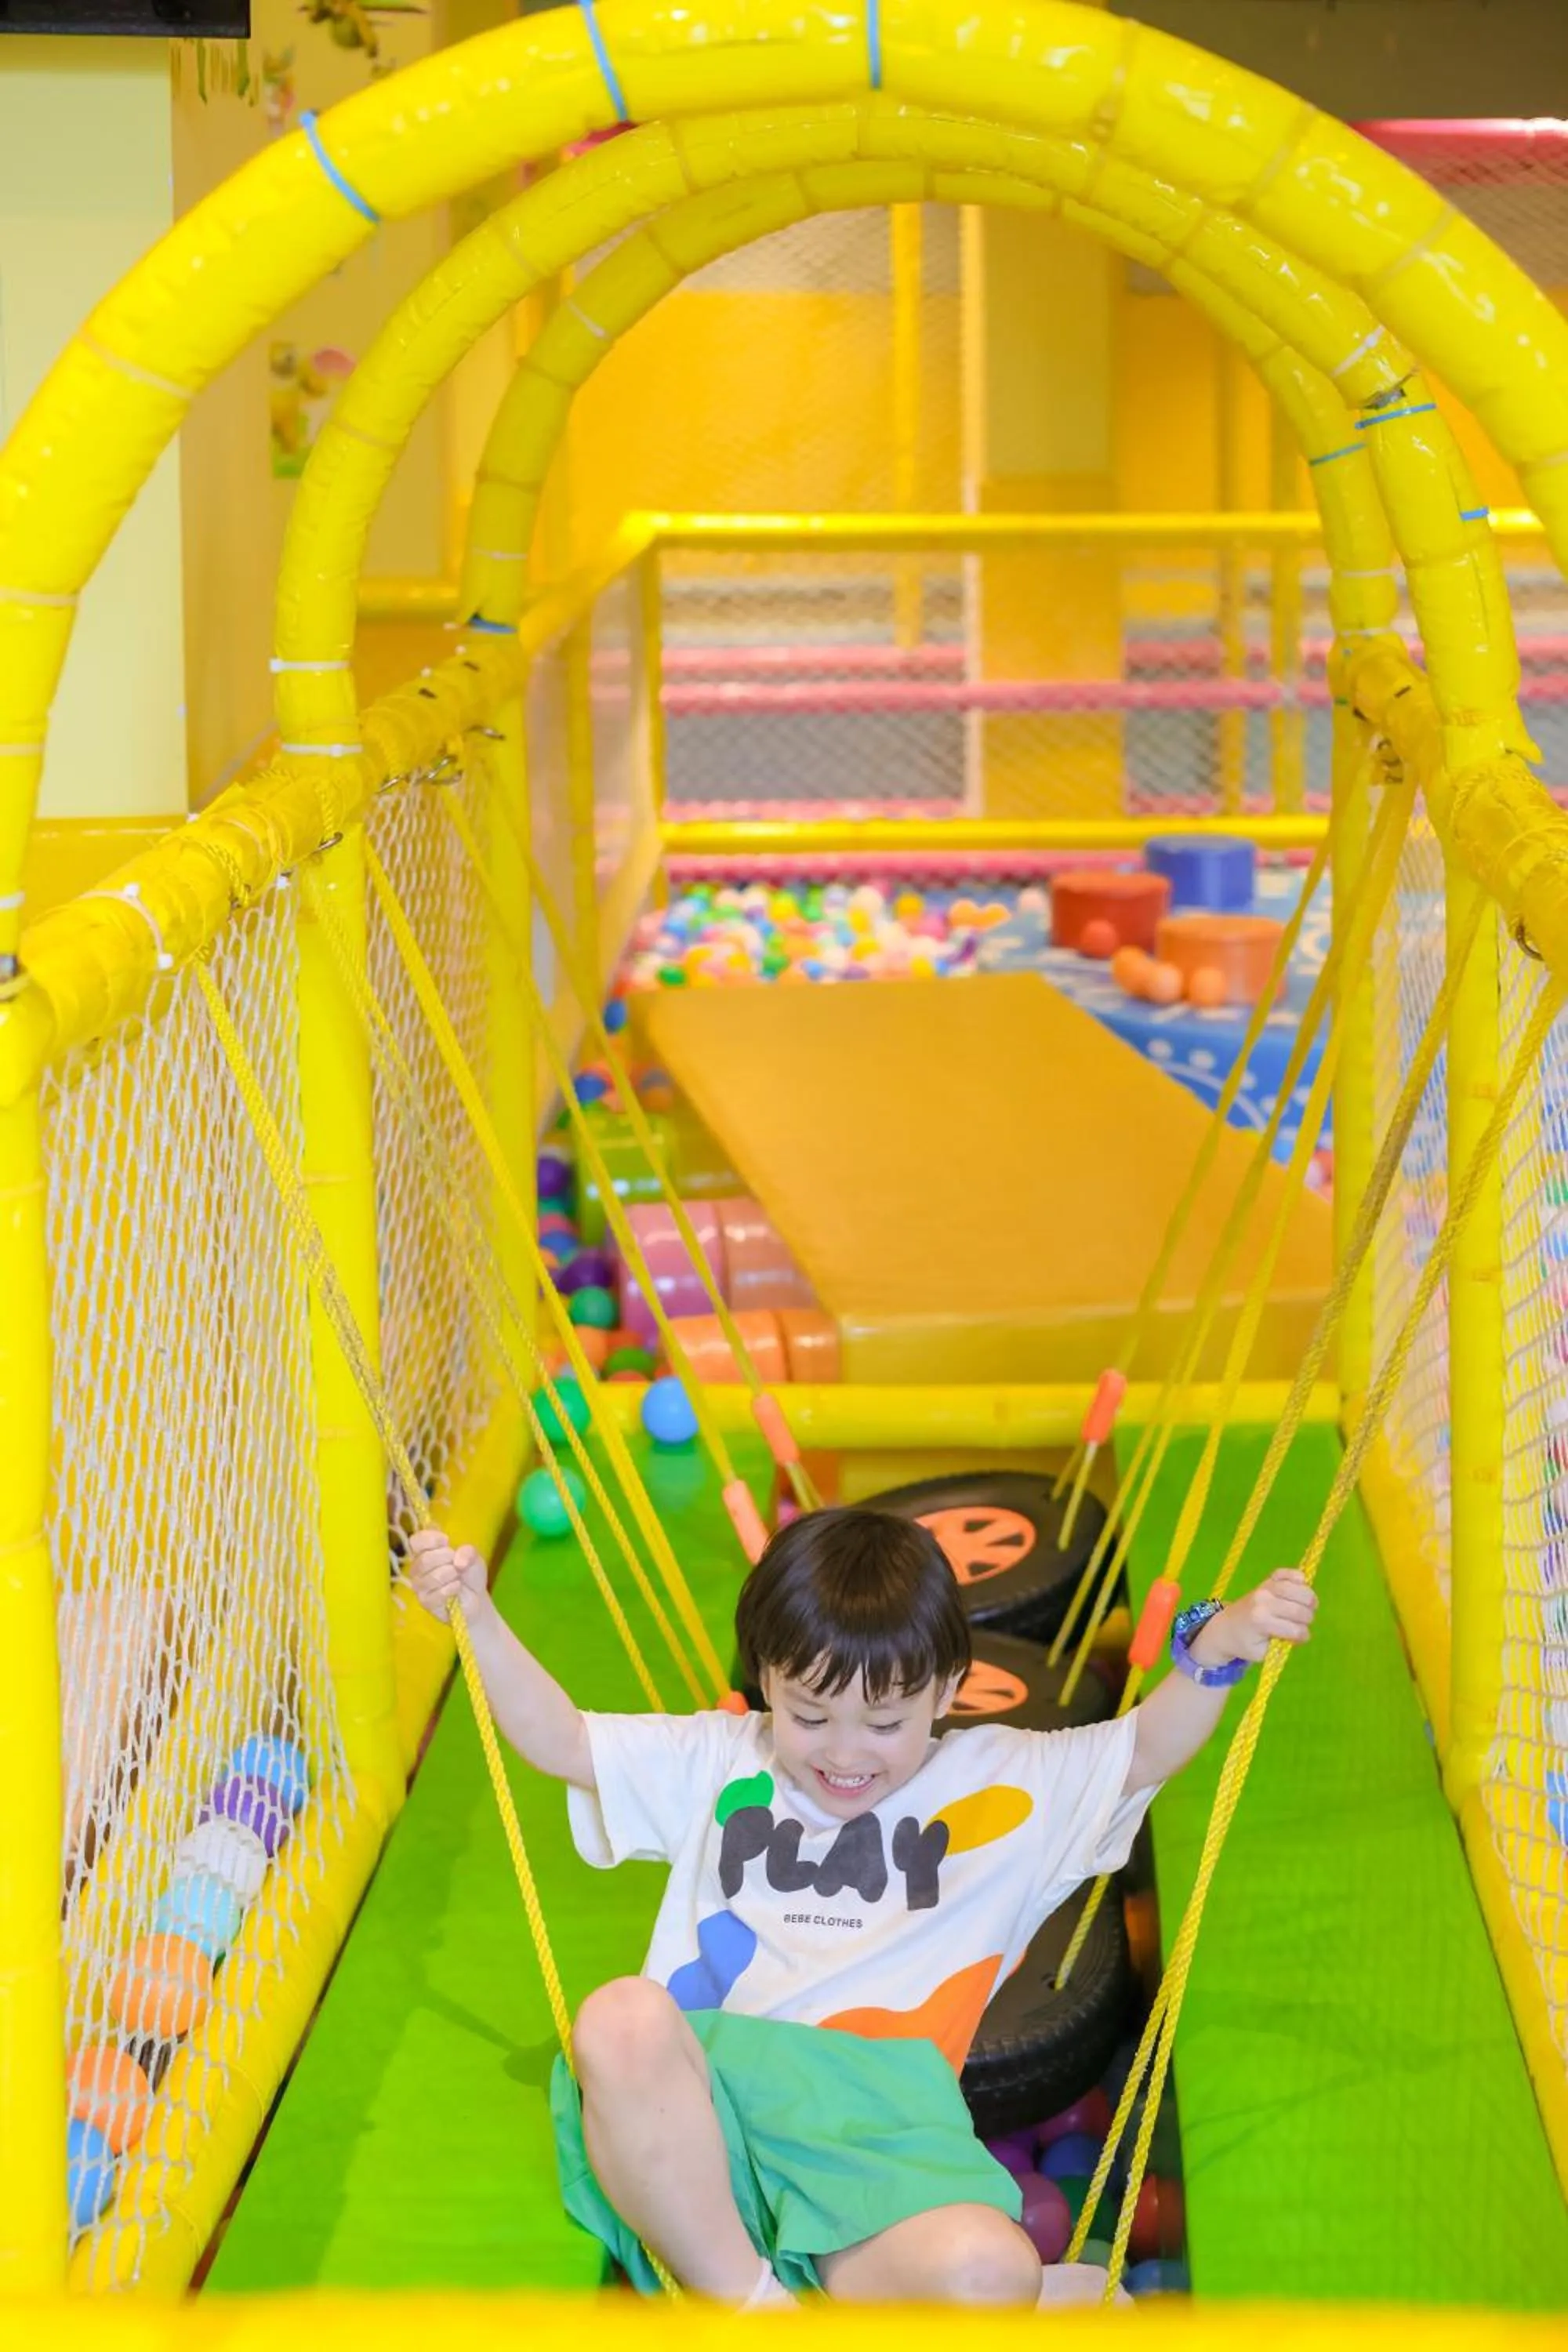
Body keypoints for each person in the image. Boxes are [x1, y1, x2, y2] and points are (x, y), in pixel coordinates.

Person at [408, 1504, 1315, 2310]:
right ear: (766, 1679)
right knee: (617, 2021)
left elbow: (1142, 1751)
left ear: (947, 1692)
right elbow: (562, 1739)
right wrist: (474, 1615)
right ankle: (747, 2302)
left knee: (991, 2272)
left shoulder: (1000, 1781)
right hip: (704, 2119)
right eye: (809, 1716)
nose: (845, 1754)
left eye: (884, 1724)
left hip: (879, 2141)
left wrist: (1216, 1647)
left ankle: (933, 2300)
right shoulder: (720, 1759)